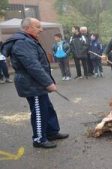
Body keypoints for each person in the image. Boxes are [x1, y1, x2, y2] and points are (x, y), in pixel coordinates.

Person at [1, 17, 69, 149]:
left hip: (36, 83)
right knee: (39, 111)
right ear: (27, 28)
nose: (41, 29)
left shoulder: (27, 40)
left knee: (47, 108)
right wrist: (48, 83)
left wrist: (47, 82)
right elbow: (33, 66)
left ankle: (51, 132)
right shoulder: (23, 42)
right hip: (31, 84)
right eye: (38, 27)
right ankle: (38, 139)